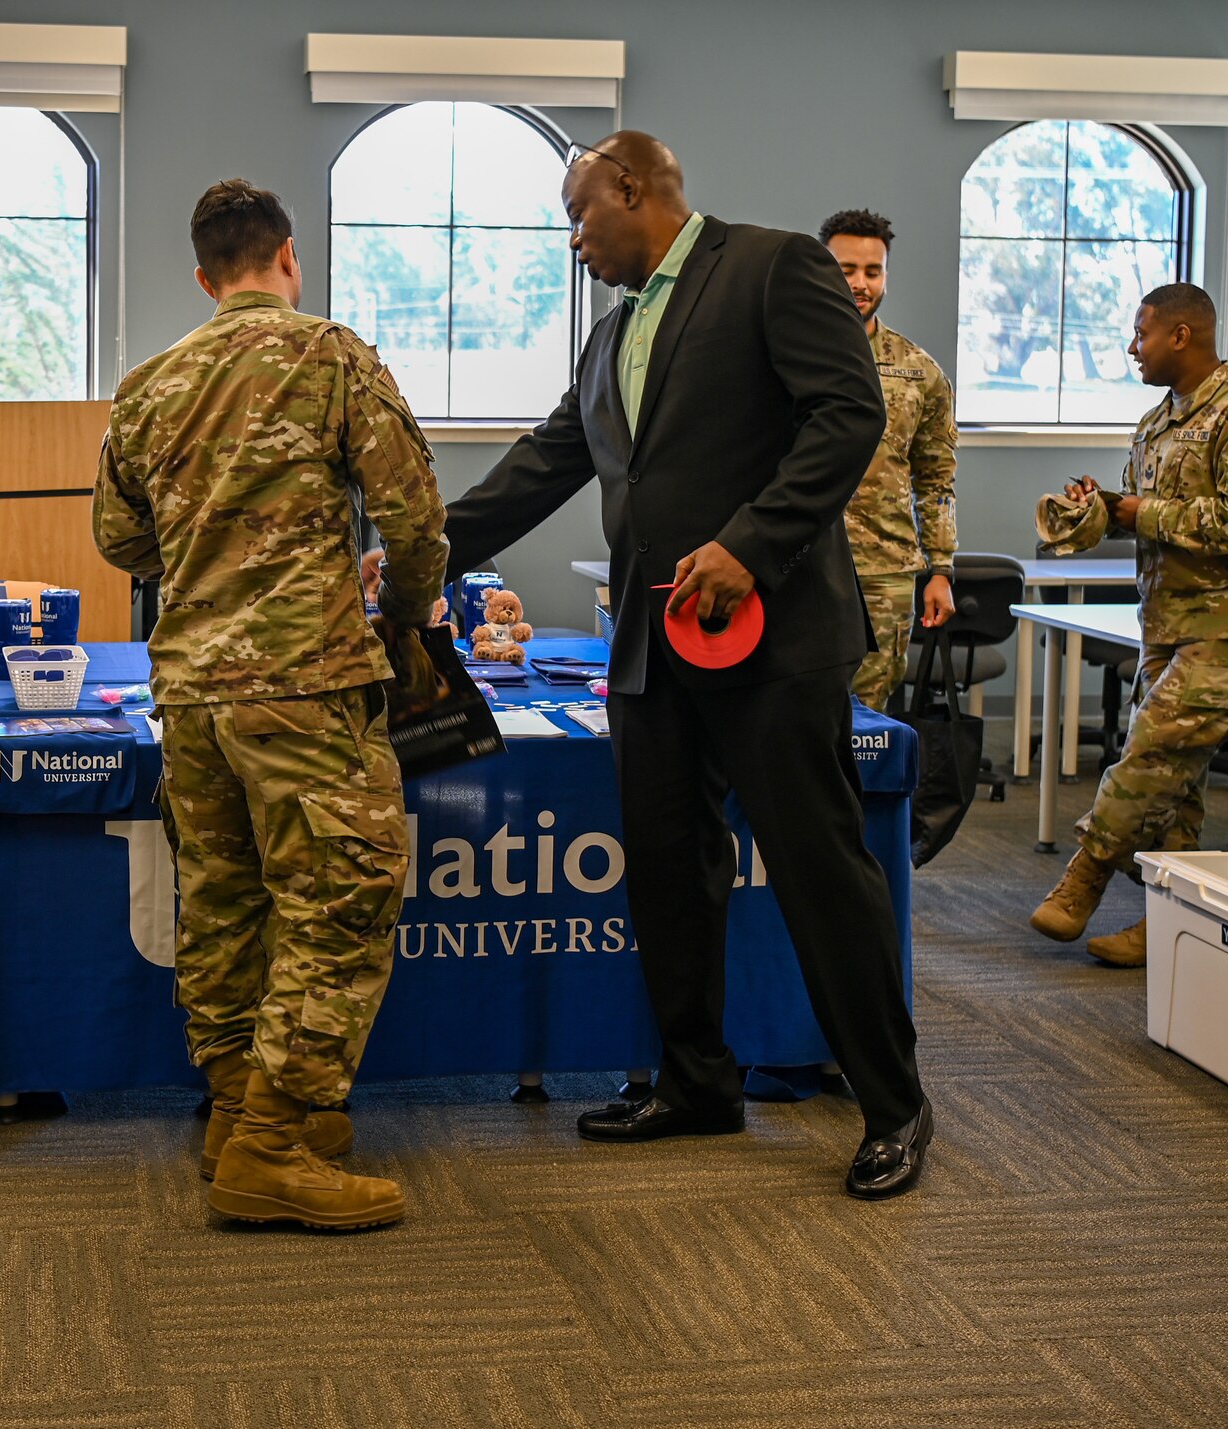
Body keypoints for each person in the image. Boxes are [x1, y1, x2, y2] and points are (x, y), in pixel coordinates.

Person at [366, 133, 931, 1198]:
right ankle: (695, 1083)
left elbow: (846, 414)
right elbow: (545, 462)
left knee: (818, 874)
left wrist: (749, 542)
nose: (572, 241)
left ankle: (894, 1104)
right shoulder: (609, 337)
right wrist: (417, 549)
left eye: (578, 216)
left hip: (772, 647)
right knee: (670, 872)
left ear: (630, 188)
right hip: (648, 650)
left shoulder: (769, 267)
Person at [92, 180, 448, 1230]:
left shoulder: (147, 384)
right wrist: (407, 612)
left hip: (192, 688)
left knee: (226, 899)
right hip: (304, 681)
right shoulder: (330, 354)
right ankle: (272, 1140)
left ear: (204, 277)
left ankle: (234, 1106)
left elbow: (121, 542)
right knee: (345, 895)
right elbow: (412, 514)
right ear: (287, 259)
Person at [1031, 283, 1228, 967]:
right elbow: (1154, 519)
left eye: (1141, 333)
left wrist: (1137, 513)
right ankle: (1170, 924)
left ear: (1181, 336)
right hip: (1171, 619)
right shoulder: (1158, 423)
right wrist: (1100, 510)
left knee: (1150, 754)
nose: (1133, 346)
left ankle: (1085, 873)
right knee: (1173, 783)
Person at [819, 209, 958, 711]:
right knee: (794, 713)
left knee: (869, 721)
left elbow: (936, 478)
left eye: (872, 271)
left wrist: (940, 570)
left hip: (885, 570)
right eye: (846, 269)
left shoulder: (919, 371)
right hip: (799, 564)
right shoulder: (785, 353)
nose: (860, 283)